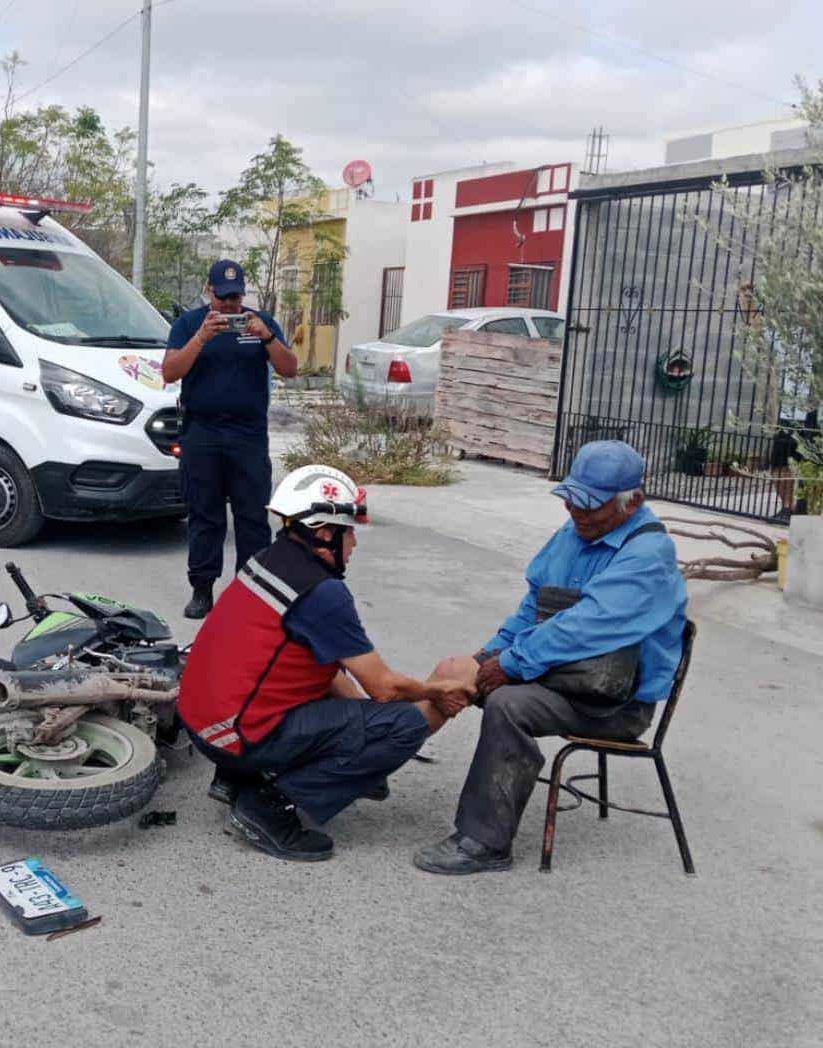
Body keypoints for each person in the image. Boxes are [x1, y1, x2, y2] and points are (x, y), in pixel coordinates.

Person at [413, 440, 688, 875]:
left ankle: (485, 843)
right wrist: (488, 655)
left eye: (591, 506)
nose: (577, 513)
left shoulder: (649, 556)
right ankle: (372, 760)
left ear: (632, 501)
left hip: (615, 702)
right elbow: (534, 607)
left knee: (509, 704)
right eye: (572, 501)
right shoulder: (576, 533)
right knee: (456, 670)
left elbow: (584, 626)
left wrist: (509, 664)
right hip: (563, 674)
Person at [178, 464, 475, 862]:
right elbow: (383, 687)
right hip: (239, 736)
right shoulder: (322, 593)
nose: (354, 542)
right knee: (403, 726)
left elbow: (324, 667)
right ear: (323, 532)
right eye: (349, 531)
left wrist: (360, 736)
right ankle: (268, 808)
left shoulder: (266, 559)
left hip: (206, 725)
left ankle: (237, 777)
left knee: (354, 715)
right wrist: (435, 691)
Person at [163, 260, 299, 619]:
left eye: (235, 297)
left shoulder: (261, 323)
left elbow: (290, 369)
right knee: (205, 516)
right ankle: (202, 589)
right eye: (222, 297)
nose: (228, 305)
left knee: (252, 518)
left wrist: (266, 337)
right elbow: (169, 370)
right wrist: (201, 339)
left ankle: (250, 595)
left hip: (248, 435)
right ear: (209, 291)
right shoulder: (190, 324)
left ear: (244, 293)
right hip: (201, 433)